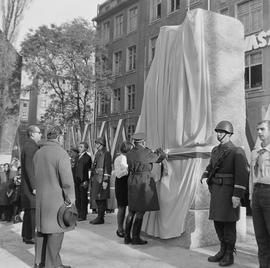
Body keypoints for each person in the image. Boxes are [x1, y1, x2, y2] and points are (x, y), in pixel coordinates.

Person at [201, 121, 249, 266]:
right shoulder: (215, 150)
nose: (218, 134)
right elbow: (210, 166)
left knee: (229, 224)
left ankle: (229, 253)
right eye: (217, 131)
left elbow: (242, 174)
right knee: (217, 221)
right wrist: (204, 176)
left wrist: (237, 194)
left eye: (221, 132)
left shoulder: (237, 151)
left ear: (229, 134)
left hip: (229, 192)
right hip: (216, 190)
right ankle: (222, 249)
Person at [33, 126, 75, 268]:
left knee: (42, 232)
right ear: (59, 137)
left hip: (40, 200)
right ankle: (52, 265)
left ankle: (40, 262)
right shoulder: (61, 153)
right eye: (62, 137)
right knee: (55, 233)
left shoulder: (38, 153)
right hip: (56, 201)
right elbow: (67, 181)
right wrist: (70, 200)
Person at [125, 133, 166, 245]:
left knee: (132, 210)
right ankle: (135, 238)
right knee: (141, 211)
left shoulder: (129, 153)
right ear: (143, 142)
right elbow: (160, 158)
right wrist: (160, 151)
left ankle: (127, 237)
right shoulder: (147, 152)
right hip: (143, 180)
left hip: (132, 179)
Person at [249, 120, 270, 268]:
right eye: (257, 130)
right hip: (257, 193)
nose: (259, 132)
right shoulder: (254, 152)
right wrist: (251, 196)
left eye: (262, 129)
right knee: (260, 236)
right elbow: (251, 177)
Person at [21, 125, 41, 244]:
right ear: (32, 133)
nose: (40, 135)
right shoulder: (31, 146)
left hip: (28, 186)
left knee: (29, 211)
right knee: (32, 210)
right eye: (39, 133)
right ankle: (31, 236)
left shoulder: (28, 145)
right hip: (31, 187)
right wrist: (34, 186)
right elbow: (30, 168)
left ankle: (26, 235)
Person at [113, 141, 133, 238]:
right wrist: (128, 169)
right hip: (121, 184)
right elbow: (118, 174)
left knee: (131, 207)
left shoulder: (130, 158)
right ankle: (120, 229)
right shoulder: (119, 159)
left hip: (130, 184)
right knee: (122, 207)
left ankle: (128, 229)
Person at [89, 137, 112, 225]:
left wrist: (106, 180)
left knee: (101, 198)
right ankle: (99, 216)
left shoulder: (106, 153)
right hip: (96, 178)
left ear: (102, 144)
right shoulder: (98, 153)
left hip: (102, 179)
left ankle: (100, 217)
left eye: (97, 143)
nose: (96, 145)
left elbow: (107, 167)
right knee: (97, 198)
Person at [75, 142, 92, 221]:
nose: (79, 148)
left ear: (85, 148)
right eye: (79, 147)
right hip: (77, 180)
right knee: (78, 198)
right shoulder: (78, 156)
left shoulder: (87, 157)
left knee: (83, 198)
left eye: (81, 147)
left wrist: (86, 180)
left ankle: (83, 215)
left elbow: (88, 170)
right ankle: (78, 213)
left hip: (83, 180)